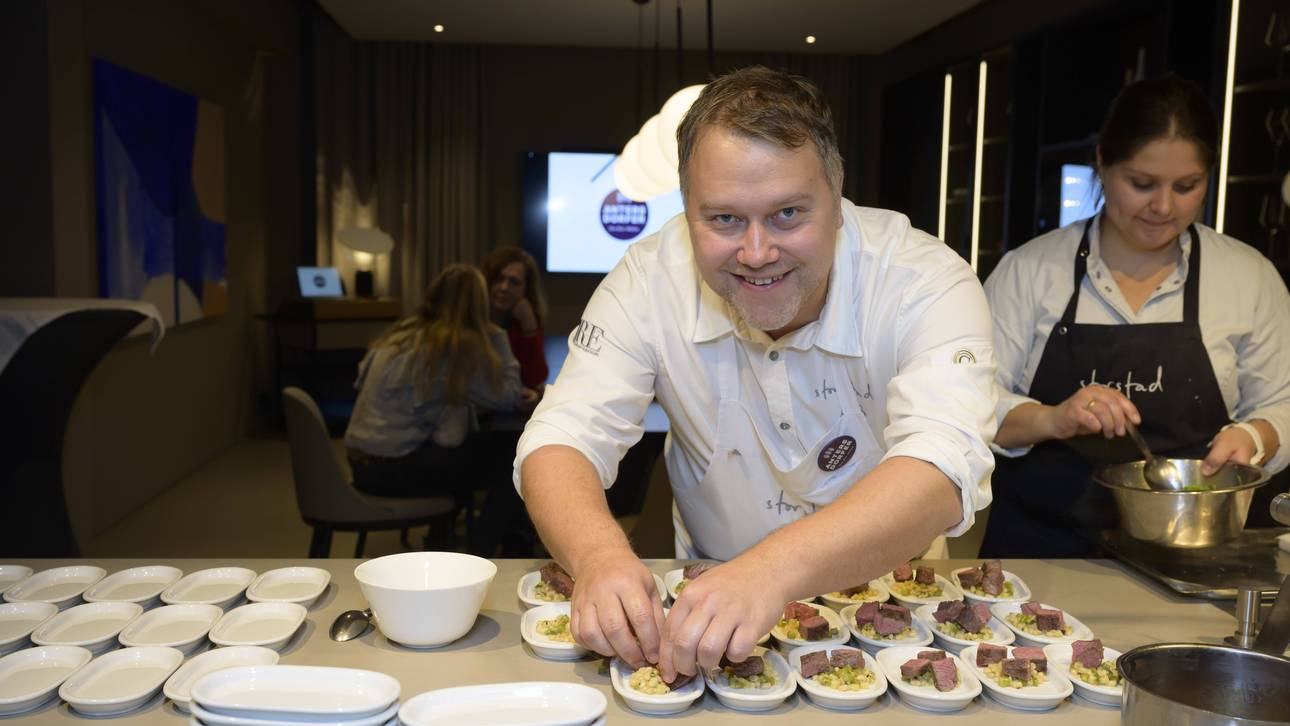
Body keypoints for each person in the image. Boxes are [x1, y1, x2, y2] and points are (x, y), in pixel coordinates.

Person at [514, 66, 997, 683]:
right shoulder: (648, 278)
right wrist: (597, 557)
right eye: (722, 220)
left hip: (895, 605)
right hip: (705, 604)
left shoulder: (925, 279)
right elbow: (562, 436)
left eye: (788, 213)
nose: (757, 253)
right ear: (686, 209)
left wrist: (771, 570)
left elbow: (943, 465)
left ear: (837, 195)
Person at [981, 75, 1290, 558]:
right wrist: (1053, 419)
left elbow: (1282, 402)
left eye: (1187, 186)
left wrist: (1256, 435)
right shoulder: (1030, 271)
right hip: (1038, 555)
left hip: (1194, 555)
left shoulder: (1247, 277)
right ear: (1102, 164)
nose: (1163, 207)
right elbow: (971, 405)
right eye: (1141, 184)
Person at [344, 264, 538, 550]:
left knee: (476, 453)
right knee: (516, 458)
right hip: (388, 468)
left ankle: (453, 542)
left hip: (363, 462)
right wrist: (496, 335)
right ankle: (482, 554)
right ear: (478, 307)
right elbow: (510, 396)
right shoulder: (450, 349)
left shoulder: (403, 335)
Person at [483, 246, 550, 389]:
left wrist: (530, 327)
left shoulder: (524, 322)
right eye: (499, 279)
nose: (504, 288)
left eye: (514, 282)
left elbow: (535, 379)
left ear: (526, 289)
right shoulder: (469, 318)